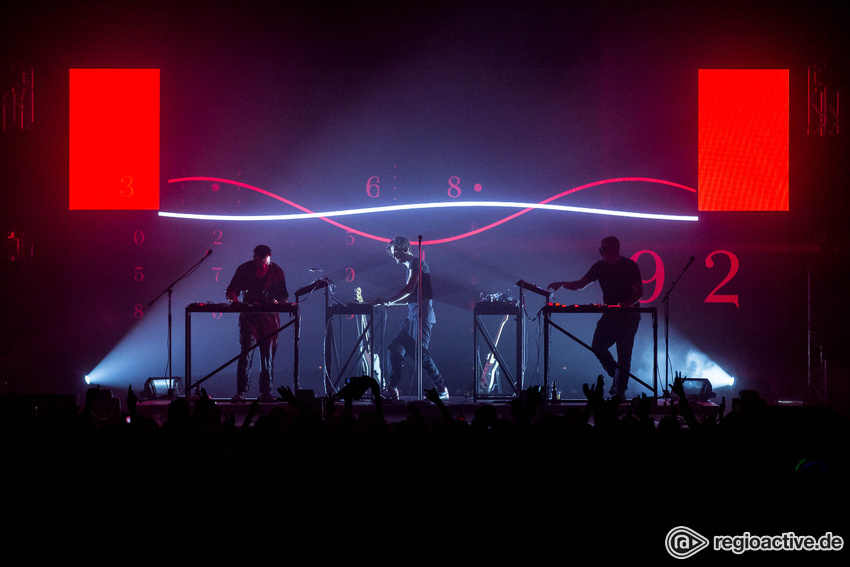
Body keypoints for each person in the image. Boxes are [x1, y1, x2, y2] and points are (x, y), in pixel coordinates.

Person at [548, 236, 643, 399]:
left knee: (624, 354)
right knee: (597, 345)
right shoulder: (599, 267)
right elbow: (580, 284)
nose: (601, 252)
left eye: (603, 249)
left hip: (628, 316)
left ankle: (620, 392)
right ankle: (617, 375)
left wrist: (626, 303)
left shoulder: (629, 266)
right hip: (610, 314)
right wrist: (562, 283)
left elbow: (639, 292)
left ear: (613, 250)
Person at [373, 236, 448, 400]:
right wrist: (388, 304)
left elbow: (409, 289)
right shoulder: (410, 268)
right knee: (395, 348)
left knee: (420, 354)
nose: (394, 256)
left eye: (396, 252)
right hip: (412, 316)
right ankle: (392, 388)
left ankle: (442, 389)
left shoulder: (417, 264)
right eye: (392, 253)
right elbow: (411, 297)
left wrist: (389, 300)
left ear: (405, 249)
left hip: (423, 316)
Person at [225, 245, 289, 403]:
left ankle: (266, 392)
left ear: (270, 257)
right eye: (261, 262)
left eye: (266, 263)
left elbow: (284, 295)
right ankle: (241, 392)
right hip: (249, 318)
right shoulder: (244, 269)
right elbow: (231, 290)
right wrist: (234, 299)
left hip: (269, 319)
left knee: (268, 357)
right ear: (254, 257)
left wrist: (278, 301)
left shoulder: (277, 271)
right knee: (246, 354)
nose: (263, 266)